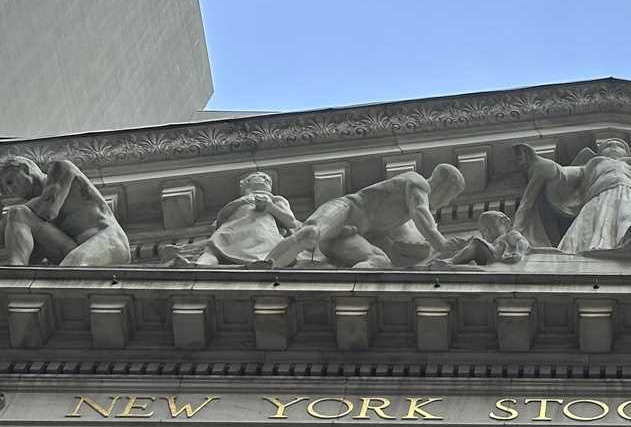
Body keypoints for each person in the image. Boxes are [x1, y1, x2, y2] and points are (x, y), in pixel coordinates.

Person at [512, 130, 631, 258]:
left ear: (627, 154)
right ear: (600, 153)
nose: (613, 145)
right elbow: (559, 173)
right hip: (598, 200)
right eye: (608, 145)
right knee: (589, 228)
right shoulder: (590, 167)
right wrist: (535, 161)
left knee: (629, 217)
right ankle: (588, 249)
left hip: (630, 196)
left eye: (619, 145)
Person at [265, 165, 467, 269]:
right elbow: (421, 212)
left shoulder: (400, 217)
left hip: (346, 236)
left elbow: (400, 245)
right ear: (444, 187)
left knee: (380, 262)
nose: (447, 203)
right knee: (310, 234)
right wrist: (441, 243)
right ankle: (266, 266)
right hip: (345, 210)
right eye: (451, 196)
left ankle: (346, 293)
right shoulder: (417, 183)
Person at [0, 156, 130, 266]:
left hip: (108, 241)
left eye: (9, 182)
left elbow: (49, 209)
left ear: (24, 169)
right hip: (72, 249)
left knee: (72, 265)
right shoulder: (31, 211)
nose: (10, 191)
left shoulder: (61, 168)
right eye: (5, 189)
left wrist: (7, 220)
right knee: (17, 214)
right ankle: (16, 271)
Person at [163, 171, 300, 266]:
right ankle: (200, 266)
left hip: (260, 230)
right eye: (257, 177)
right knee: (213, 248)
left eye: (266, 179)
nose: (263, 179)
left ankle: (260, 264)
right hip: (231, 229)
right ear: (244, 184)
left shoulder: (275, 199)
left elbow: (290, 221)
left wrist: (269, 207)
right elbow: (220, 220)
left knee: (260, 249)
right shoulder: (241, 200)